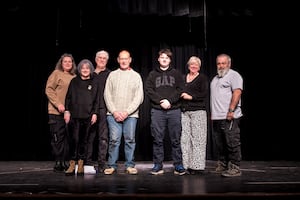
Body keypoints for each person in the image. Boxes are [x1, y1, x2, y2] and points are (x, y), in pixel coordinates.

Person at [145, 48, 186, 175]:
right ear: (158, 59)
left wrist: (170, 101)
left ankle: (178, 165)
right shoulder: (152, 74)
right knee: (157, 139)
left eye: (167, 58)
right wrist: (161, 101)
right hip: (157, 110)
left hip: (174, 110)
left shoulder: (176, 74)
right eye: (162, 57)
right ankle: (158, 165)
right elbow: (149, 90)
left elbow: (180, 89)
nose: (164, 59)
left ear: (170, 60)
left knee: (175, 139)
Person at [103, 50, 144, 175]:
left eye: (126, 58)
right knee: (114, 140)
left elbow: (139, 97)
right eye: (121, 58)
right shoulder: (112, 75)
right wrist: (114, 111)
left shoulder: (136, 76)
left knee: (130, 140)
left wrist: (126, 112)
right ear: (118, 60)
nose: (124, 61)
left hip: (130, 115)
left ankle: (130, 165)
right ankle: (111, 165)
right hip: (113, 114)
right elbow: (107, 95)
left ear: (130, 60)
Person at [64, 59, 100, 176]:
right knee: (74, 140)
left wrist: (95, 113)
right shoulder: (74, 81)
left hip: (88, 116)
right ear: (79, 69)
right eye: (83, 68)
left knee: (84, 141)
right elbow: (68, 98)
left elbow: (97, 100)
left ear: (90, 70)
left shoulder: (94, 83)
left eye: (87, 68)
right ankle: (72, 163)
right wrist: (67, 111)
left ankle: (81, 163)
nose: (85, 70)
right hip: (74, 116)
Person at [210, 53, 243, 177]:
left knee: (232, 142)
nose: (221, 66)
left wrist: (231, 110)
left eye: (223, 63)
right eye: (218, 63)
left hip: (229, 116)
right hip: (217, 117)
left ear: (229, 64)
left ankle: (235, 167)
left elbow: (237, 92)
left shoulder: (234, 75)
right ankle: (223, 164)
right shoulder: (215, 78)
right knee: (220, 143)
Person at [45, 53, 77, 172]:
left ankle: (65, 161)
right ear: (61, 63)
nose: (68, 63)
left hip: (70, 113)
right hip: (56, 112)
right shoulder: (56, 73)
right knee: (58, 138)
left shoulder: (74, 76)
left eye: (70, 61)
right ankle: (58, 161)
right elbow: (49, 89)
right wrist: (58, 104)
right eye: (65, 61)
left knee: (68, 138)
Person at [180, 56, 209, 175]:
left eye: (196, 64)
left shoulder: (202, 78)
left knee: (198, 139)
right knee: (185, 139)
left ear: (199, 66)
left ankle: (197, 166)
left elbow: (204, 94)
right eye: (192, 64)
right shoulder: (183, 78)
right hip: (184, 112)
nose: (194, 66)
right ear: (188, 65)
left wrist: (191, 97)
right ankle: (186, 165)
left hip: (198, 111)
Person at [86, 50, 111, 173]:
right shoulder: (89, 74)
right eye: (100, 58)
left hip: (104, 109)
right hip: (89, 110)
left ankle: (102, 163)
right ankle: (88, 162)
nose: (101, 60)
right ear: (96, 60)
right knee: (89, 137)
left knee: (103, 138)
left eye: (104, 58)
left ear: (107, 60)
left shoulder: (110, 74)